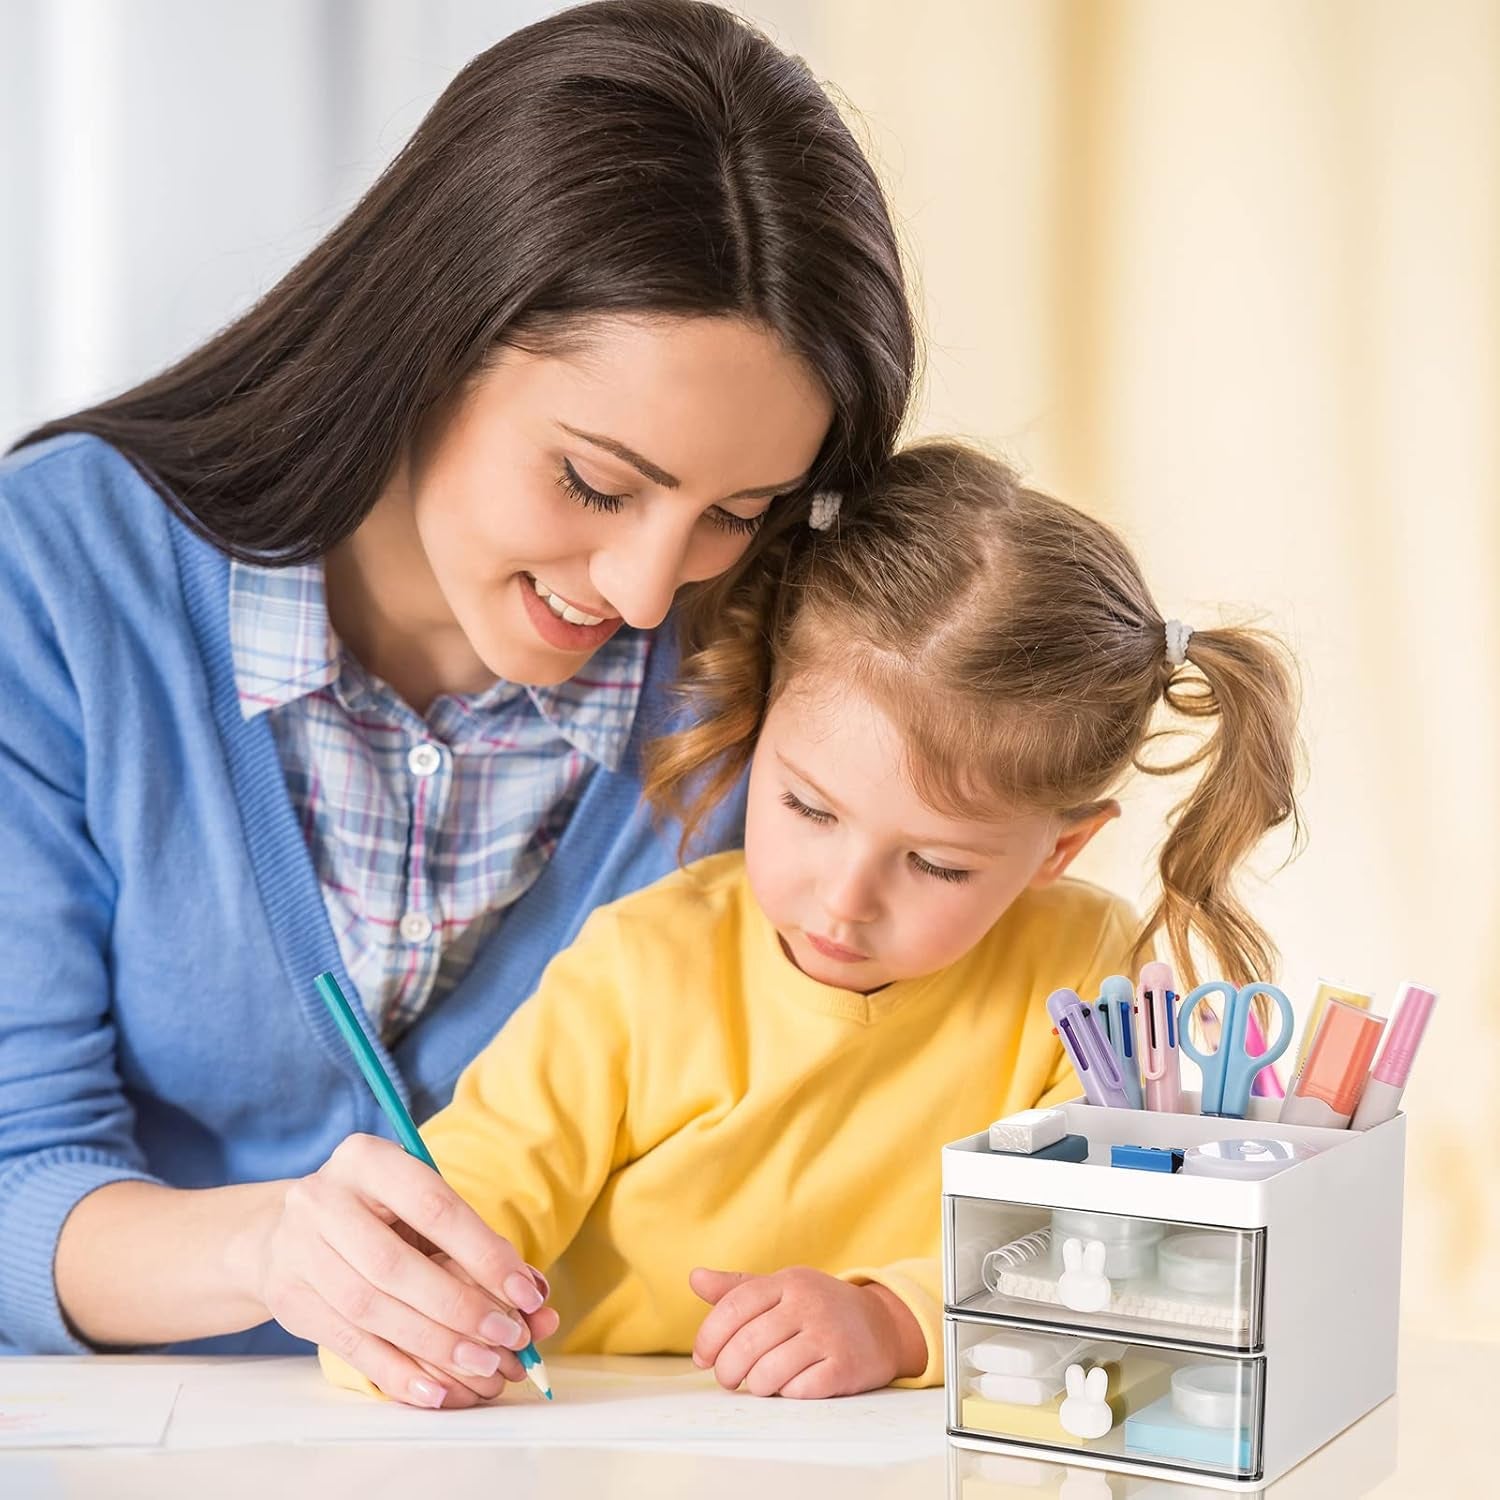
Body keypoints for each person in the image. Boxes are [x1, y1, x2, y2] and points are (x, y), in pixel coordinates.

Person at [0, 0, 916, 1412]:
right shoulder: (59, 581)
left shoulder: (777, 662)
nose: (648, 587)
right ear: (426, 338)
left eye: (736, 511)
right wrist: (268, 1249)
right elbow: (16, 1177)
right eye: (597, 484)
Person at [322, 440, 1301, 1404]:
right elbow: (463, 1207)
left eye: (935, 864)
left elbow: (1133, 1249)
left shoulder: (1090, 976)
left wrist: (899, 1319)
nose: (844, 899)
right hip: (595, 1434)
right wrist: (414, 1308)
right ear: (760, 724)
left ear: (1057, 854)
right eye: (808, 809)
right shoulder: (642, 969)